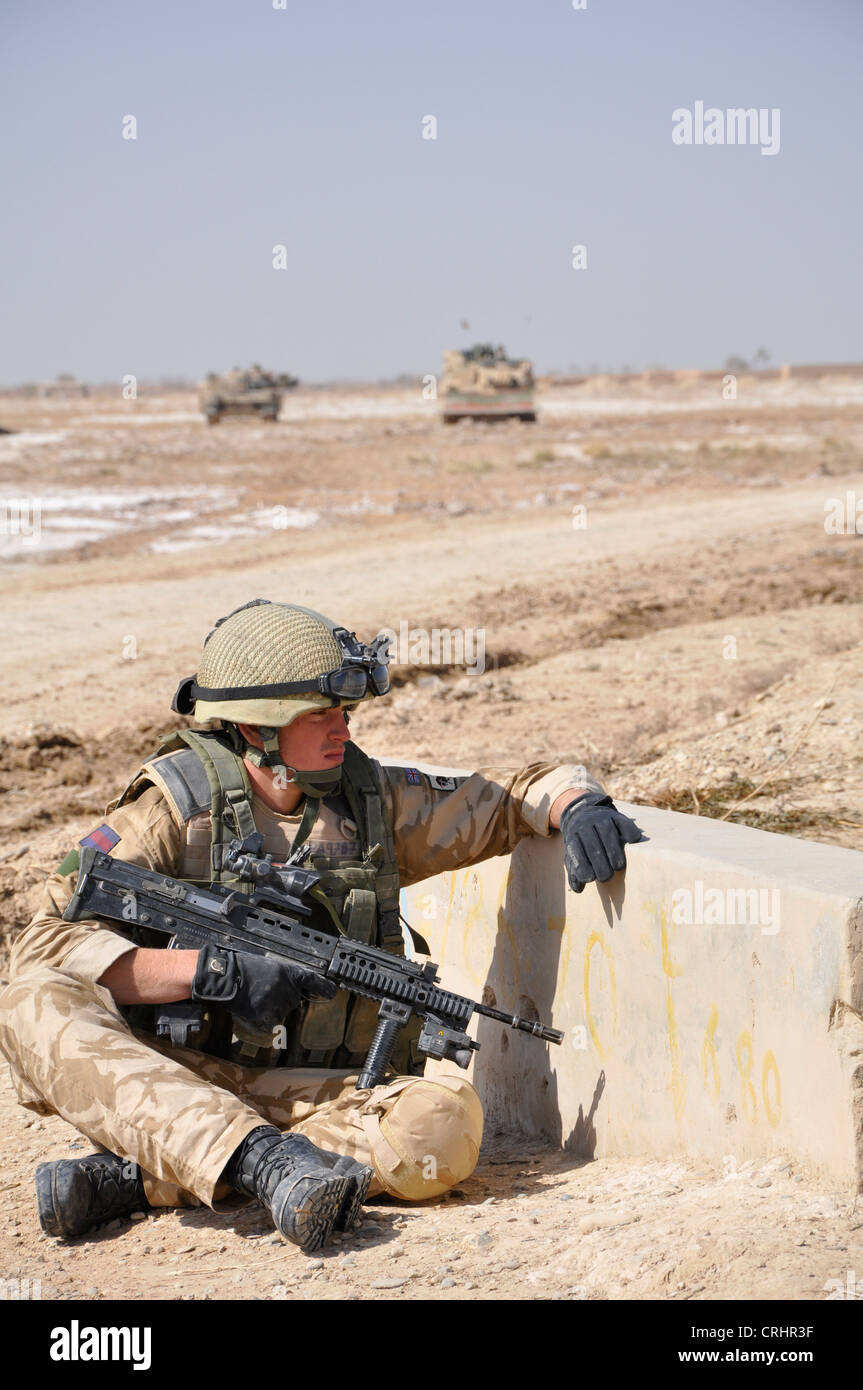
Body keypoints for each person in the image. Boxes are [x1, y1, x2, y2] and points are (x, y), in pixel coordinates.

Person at [0, 599, 642, 1252]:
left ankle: (143, 1178)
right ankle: (258, 1162)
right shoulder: (173, 810)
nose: (341, 730)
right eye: (319, 714)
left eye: (344, 712)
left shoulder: (370, 804)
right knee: (30, 1003)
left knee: (440, 1128)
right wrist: (209, 972)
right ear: (256, 727)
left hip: (306, 1094)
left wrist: (579, 802)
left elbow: (507, 798)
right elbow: (41, 945)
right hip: (171, 1078)